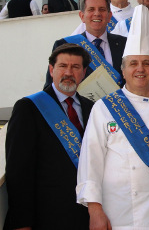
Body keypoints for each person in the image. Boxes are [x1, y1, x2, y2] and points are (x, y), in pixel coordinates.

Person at [76, 5, 149, 229]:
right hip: (119, 210)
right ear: (123, 70)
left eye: (146, 63)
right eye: (133, 63)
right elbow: (91, 160)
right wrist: (94, 209)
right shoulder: (104, 107)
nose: (140, 69)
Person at [5, 43, 93, 230]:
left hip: (85, 215)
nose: (69, 72)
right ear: (51, 69)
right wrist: (21, 223)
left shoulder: (92, 108)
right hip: (46, 216)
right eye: (63, 66)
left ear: (83, 73)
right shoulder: (28, 108)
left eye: (75, 67)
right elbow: (18, 170)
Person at [44, 0, 127, 89]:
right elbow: (51, 86)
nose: (97, 14)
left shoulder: (124, 44)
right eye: (91, 9)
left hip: (115, 103)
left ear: (109, 16)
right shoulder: (64, 45)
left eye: (102, 9)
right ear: (82, 16)